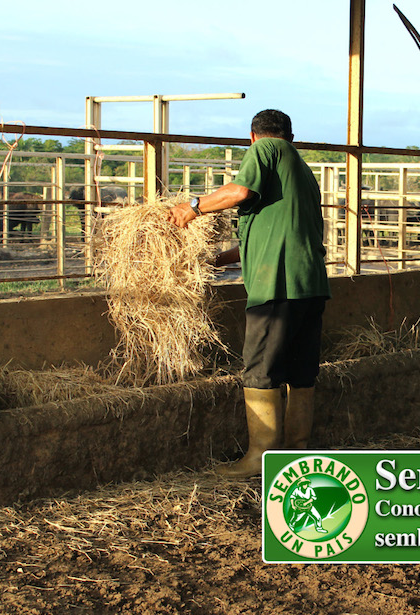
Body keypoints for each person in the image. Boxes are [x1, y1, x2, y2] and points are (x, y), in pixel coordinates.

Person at [169, 109, 330, 477]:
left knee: (260, 367)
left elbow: (239, 191)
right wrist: (216, 259)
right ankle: (295, 451)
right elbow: (265, 235)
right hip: (310, 284)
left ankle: (260, 458)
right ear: (291, 134)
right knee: (300, 370)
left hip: (278, 284)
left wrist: (192, 208)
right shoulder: (302, 172)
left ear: (252, 136)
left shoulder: (265, 150)